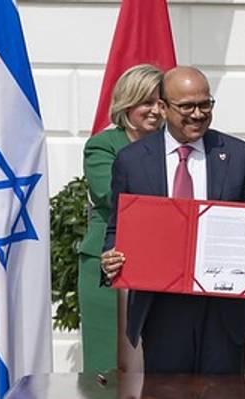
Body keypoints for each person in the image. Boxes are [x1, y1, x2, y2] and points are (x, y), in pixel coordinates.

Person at [98, 66, 245, 374]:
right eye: (187, 107)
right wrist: (111, 257)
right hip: (161, 310)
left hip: (223, 308)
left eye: (205, 104)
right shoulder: (132, 161)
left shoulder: (238, 154)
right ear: (164, 108)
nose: (198, 114)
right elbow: (117, 228)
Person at [78, 64, 163, 372]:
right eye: (146, 102)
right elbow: (111, 196)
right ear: (127, 104)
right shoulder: (103, 145)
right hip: (109, 263)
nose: (155, 111)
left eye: (161, 103)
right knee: (108, 364)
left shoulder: (176, 149)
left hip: (163, 262)